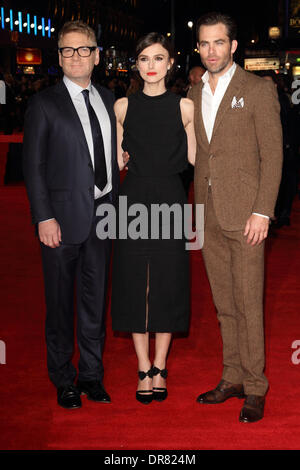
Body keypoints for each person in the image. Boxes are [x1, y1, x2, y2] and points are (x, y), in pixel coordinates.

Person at [188, 12, 283, 423]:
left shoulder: (258, 90)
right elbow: (194, 150)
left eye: (219, 43)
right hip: (207, 213)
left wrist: (263, 210)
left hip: (247, 215)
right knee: (224, 305)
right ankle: (232, 377)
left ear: (233, 46)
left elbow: (273, 155)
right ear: (199, 48)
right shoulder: (192, 93)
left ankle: (256, 385)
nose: (212, 51)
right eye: (205, 44)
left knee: (248, 304)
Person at [23, 20, 119, 410]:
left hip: (105, 215)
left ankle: (91, 376)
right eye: (67, 50)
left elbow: (108, 151)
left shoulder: (111, 100)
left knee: (95, 302)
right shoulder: (43, 104)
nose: (76, 57)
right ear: (59, 56)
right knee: (60, 303)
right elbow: (33, 166)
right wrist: (43, 217)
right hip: (60, 222)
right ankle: (63, 378)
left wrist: (121, 160)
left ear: (97, 55)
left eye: (83, 50)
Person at [111, 32, 196, 404]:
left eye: (158, 58)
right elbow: (118, 161)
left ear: (170, 63)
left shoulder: (185, 107)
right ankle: (142, 365)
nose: (150, 66)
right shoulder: (122, 107)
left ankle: (160, 365)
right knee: (134, 282)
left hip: (172, 199)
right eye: (144, 59)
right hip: (133, 201)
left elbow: (197, 159)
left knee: (167, 280)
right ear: (136, 64)